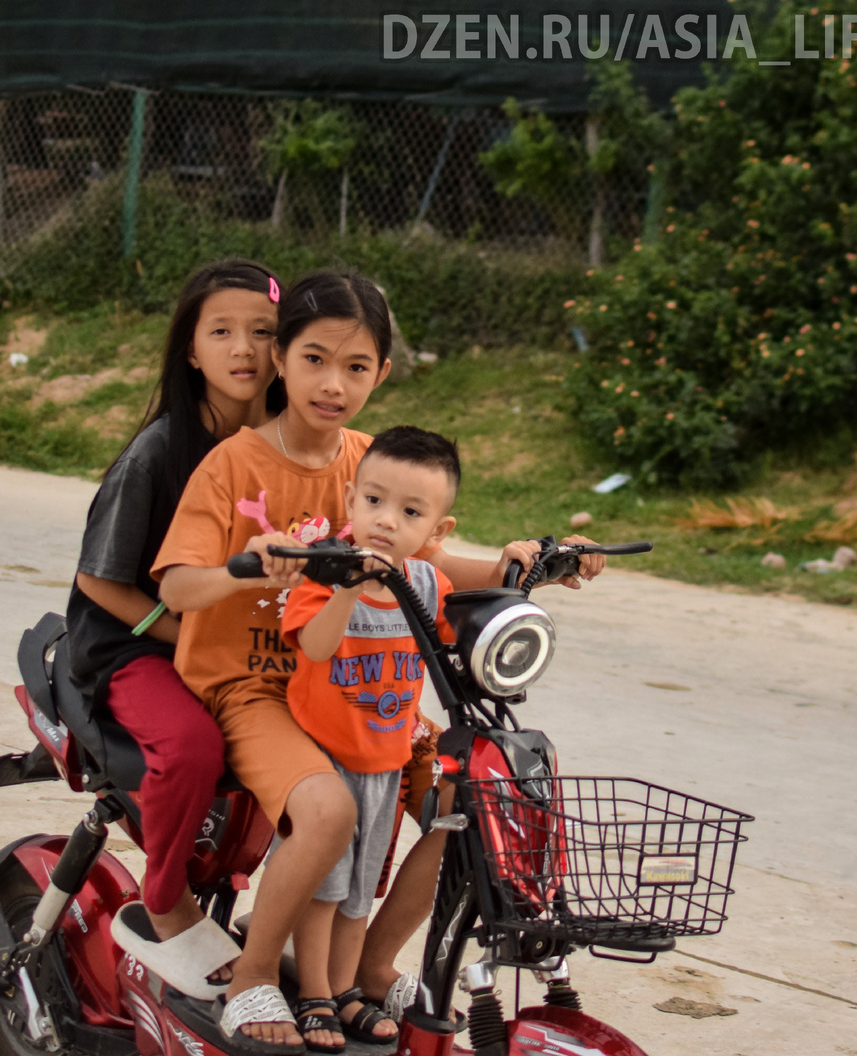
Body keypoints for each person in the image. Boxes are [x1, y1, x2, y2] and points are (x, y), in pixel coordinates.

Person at [154, 270, 600, 1050]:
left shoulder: (373, 462)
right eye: (316, 359)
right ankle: (258, 976)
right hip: (253, 685)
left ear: (381, 374)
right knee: (327, 813)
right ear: (281, 359)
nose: (334, 384)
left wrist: (526, 561)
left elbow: (431, 559)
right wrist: (249, 566)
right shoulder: (233, 464)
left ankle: (369, 964)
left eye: (356, 367)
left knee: (469, 807)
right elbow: (179, 584)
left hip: (357, 689)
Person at [64, 258, 285, 1000]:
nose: (244, 349)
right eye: (221, 331)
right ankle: (165, 901)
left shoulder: (292, 447)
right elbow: (99, 579)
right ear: (191, 350)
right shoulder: (161, 450)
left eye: (263, 332)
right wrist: (177, 633)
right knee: (193, 746)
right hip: (134, 640)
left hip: (246, 643)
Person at [281, 427, 462, 1053]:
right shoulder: (325, 571)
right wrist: (348, 586)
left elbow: (449, 652)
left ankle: (345, 989)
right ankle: (312, 993)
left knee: (361, 889)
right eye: (375, 502)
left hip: (387, 761)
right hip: (325, 760)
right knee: (324, 887)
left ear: (437, 531)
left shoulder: (428, 585)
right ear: (352, 500)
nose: (387, 521)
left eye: (411, 512)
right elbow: (315, 645)